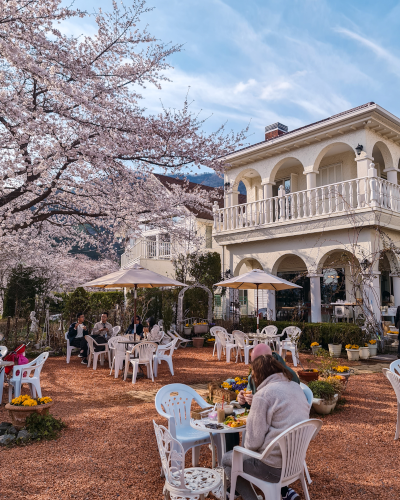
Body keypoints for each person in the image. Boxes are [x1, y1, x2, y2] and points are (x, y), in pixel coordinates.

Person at [222, 354, 311, 500]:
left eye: (253, 375)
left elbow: (252, 444)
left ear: (258, 376)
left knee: (227, 460)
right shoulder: (296, 387)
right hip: (295, 463)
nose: (252, 378)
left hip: (273, 469)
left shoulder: (263, 395)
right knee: (239, 458)